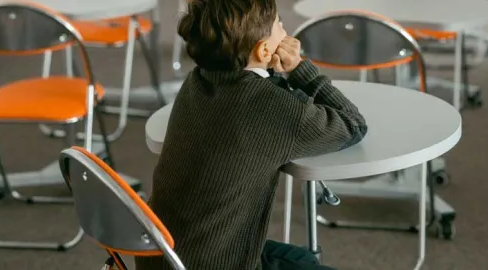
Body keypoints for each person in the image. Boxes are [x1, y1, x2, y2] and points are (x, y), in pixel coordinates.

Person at [135, 0, 368, 269]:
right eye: (279, 24)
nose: (284, 29)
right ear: (264, 49)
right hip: (218, 263)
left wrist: (272, 69)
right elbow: (353, 125)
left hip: (163, 255)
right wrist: (299, 69)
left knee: (301, 259)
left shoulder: (197, 81)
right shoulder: (273, 108)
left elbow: (252, 93)